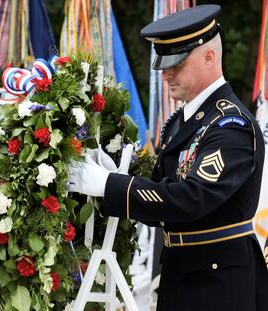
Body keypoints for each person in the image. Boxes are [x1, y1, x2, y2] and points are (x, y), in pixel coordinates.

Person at [68, 5, 268, 311]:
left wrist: (111, 185)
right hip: (182, 271)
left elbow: (192, 198)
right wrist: (118, 175)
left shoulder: (230, 125)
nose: (166, 73)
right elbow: (162, 195)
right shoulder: (182, 120)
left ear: (209, 58)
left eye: (176, 63)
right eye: (163, 63)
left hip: (220, 283)